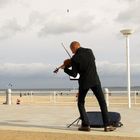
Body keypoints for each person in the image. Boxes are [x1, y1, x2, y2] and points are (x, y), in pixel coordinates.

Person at [62, 41, 116, 132]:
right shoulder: (89, 51)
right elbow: (88, 62)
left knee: (81, 103)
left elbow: (74, 74)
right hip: (95, 81)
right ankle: (107, 125)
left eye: (72, 50)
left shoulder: (75, 58)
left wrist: (66, 69)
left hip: (84, 83)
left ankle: (86, 125)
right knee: (102, 103)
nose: (72, 52)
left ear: (74, 48)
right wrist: (74, 62)